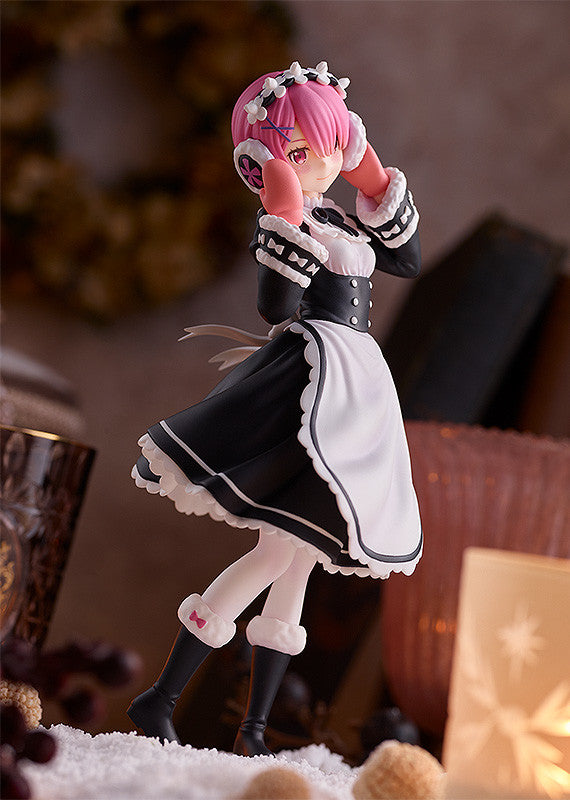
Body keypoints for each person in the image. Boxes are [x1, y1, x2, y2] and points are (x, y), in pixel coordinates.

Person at [127, 61, 422, 756]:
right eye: (298, 150)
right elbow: (276, 306)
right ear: (261, 161)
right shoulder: (290, 219)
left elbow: (407, 261)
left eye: (327, 145)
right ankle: (163, 699)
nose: (318, 162)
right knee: (279, 554)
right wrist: (285, 214)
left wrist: (373, 180)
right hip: (310, 383)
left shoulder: (341, 217)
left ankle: (250, 729)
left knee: (298, 559)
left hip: (352, 391)